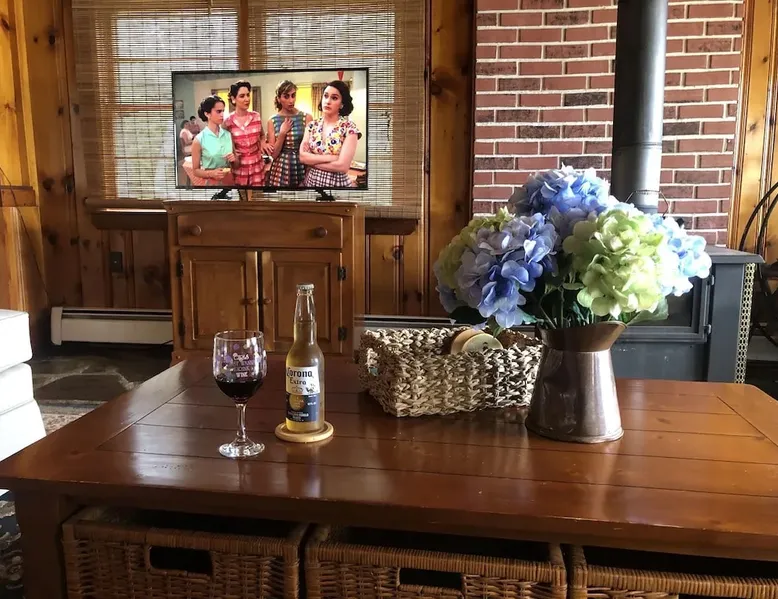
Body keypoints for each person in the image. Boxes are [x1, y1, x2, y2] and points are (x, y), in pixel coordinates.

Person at [300, 80, 361, 188]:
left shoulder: (349, 128)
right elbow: (303, 158)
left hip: (337, 185)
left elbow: (342, 167)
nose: (328, 101)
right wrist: (333, 158)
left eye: (334, 98)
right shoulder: (311, 126)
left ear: (341, 104)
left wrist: (312, 161)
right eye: (325, 96)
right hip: (310, 183)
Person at [222, 80, 274, 187]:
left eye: (248, 95)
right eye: (242, 96)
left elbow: (261, 135)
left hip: (257, 168)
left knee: (257, 196)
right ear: (233, 99)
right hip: (239, 170)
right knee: (242, 196)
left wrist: (263, 142)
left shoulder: (256, 116)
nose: (247, 99)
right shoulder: (227, 122)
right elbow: (225, 146)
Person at [267, 80, 312, 188]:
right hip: (281, 168)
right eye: (286, 96)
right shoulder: (272, 120)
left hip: (301, 165)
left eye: (293, 95)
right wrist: (282, 133)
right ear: (279, 99)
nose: (291, 100)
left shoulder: (306, 117)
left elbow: (311, 148)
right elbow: (273, 155)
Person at [190, 95, 237, 187]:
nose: (222, 114)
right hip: (212, 184)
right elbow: (195, 171)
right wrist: (211, 173)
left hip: (230, 182)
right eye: (218, 111)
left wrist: (234, 159)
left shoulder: (228, 135)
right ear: (207, 114)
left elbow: (236, 164)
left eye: (223, 111)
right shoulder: (199, 140)